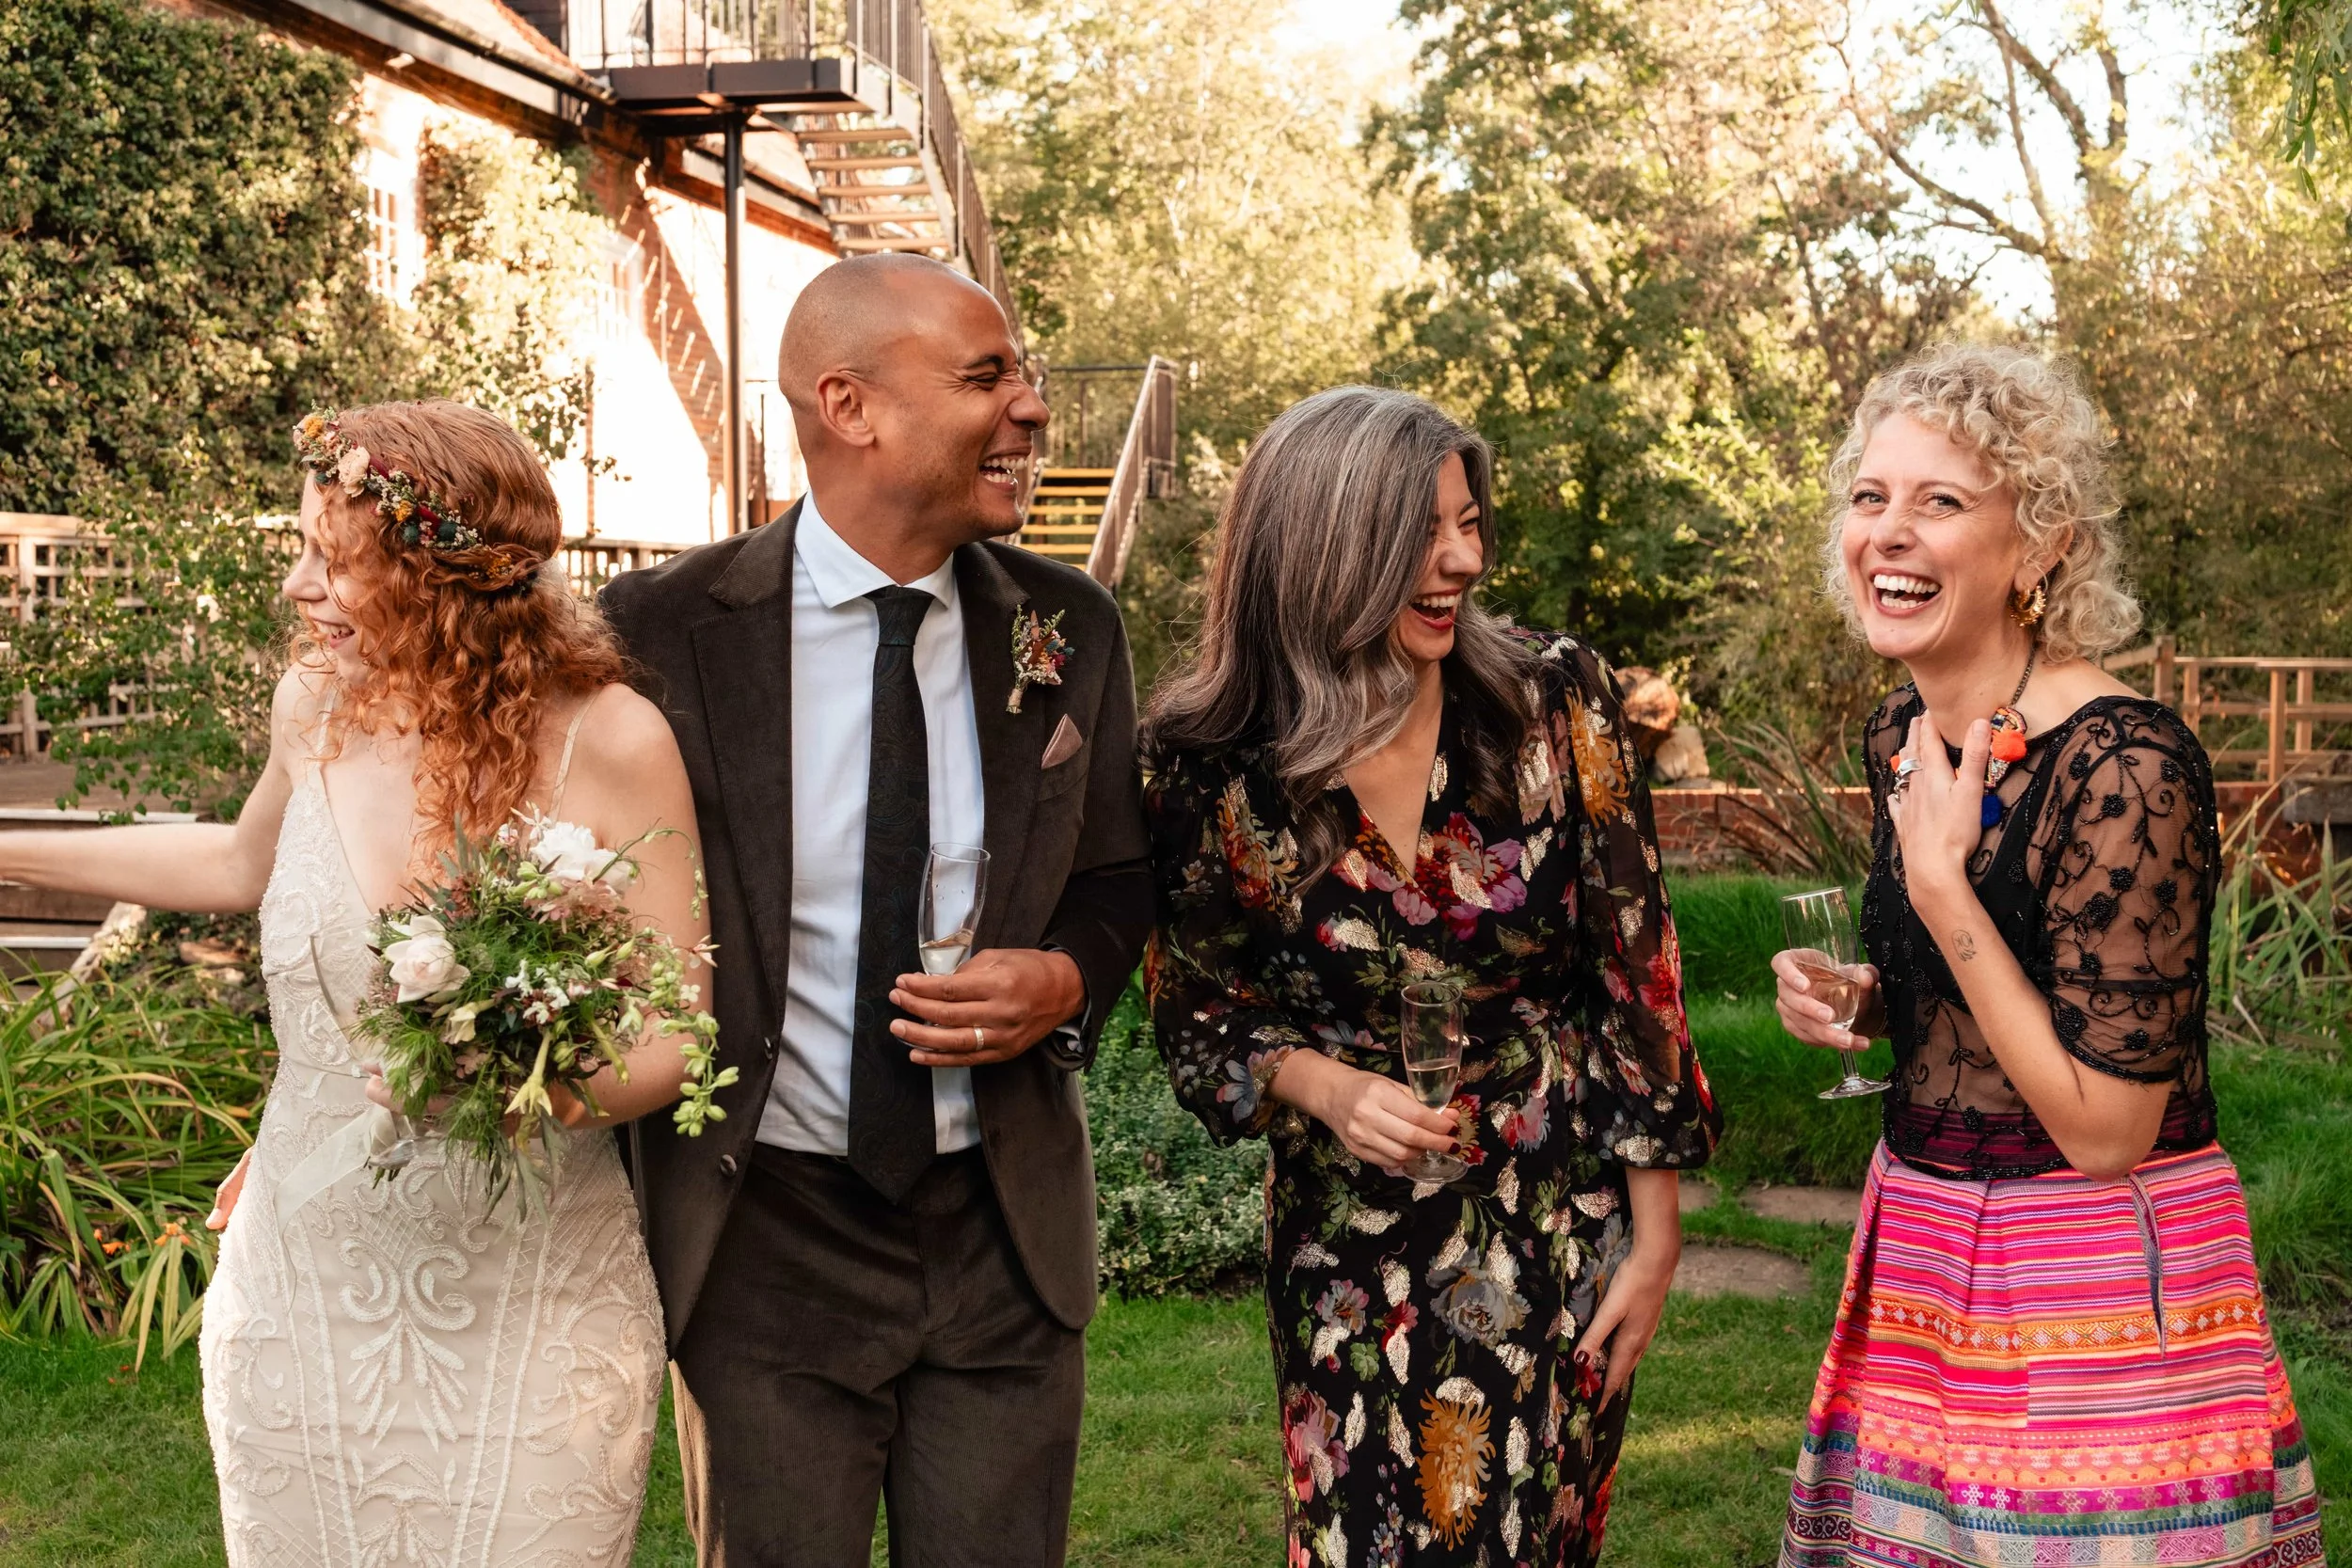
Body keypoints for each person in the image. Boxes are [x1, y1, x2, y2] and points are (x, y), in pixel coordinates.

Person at [0, 401, 706, 1562]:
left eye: (332, 561)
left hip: (531, 1300)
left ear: (439, 578)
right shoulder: (313, 707)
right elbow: (237, 861)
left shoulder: (611, 738)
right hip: (303, 1281)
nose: (294, 587)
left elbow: (676, 1039)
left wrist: (516, 1081)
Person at [599, 253, 1152, 1567]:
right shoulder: (660, 631)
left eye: (1023, 374)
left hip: (1003, 1233)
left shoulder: (1069, 625)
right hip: (764, 1232)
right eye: (988, 376)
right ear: (849, 406)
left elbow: (1122, 877)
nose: (1030, 407)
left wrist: (1066, 980)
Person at [1141, 386, 1720, 1567]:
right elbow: (1194, 1004)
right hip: (1347, 1236)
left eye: (1471, 522)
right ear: (1326, 544)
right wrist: (1319, 1085)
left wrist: (1653, 1243)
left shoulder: (1552, 698)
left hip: (1556, 1213)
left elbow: (1635, 964)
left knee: (1531, 1535)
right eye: (1428, 530)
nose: (1464, 557)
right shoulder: (1203, 759)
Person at [1774, 344, 2327, 1566]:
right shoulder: (1905, 731)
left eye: (1942, 500)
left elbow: (2108, 1129)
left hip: (2091, 1290)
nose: (1888, 531)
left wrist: (1939, 889)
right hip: (1921, 1243)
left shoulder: (2129, 762)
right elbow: (1981, 997)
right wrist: (1869, 996)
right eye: (1871, 497)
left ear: (2040, 545)